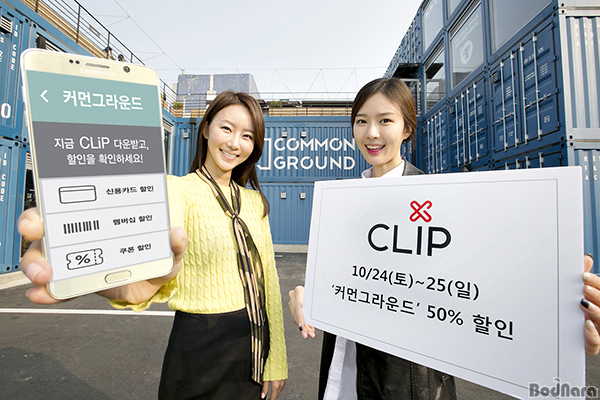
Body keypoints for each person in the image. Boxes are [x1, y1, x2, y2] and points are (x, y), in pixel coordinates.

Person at [287, 77, 600, 400]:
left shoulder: (442, 203)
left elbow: (484, 289)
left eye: (386, 121)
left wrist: (559, 330)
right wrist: (313, 296)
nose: (372, 133)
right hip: (342, 377)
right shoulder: (343, 204)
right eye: (361, 121)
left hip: (410, 385)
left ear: (407, 129)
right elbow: (346, 280)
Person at [18, 91, 288, 400]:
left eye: (247, 136)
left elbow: (269, 280)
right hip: (199, 343)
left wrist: (277, 359)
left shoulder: (255, 202)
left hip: (252, 343)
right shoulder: (177, 190)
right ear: (205, 129)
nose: (234, 143)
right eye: (226, 128)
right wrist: (90, 246)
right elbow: (151, 237)